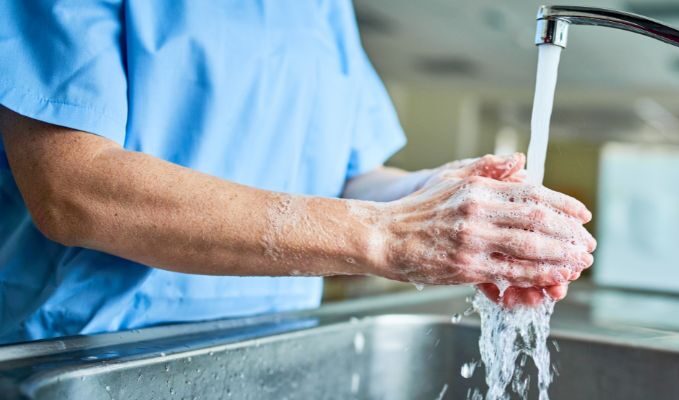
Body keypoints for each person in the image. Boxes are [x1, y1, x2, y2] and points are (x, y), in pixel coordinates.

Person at [0, 1, 595, 344]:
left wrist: (435, 195)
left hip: (272, 345)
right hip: (84, 352)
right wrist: (391, 234)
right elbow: (72, 189)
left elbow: (351, 178)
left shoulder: (317, 7)